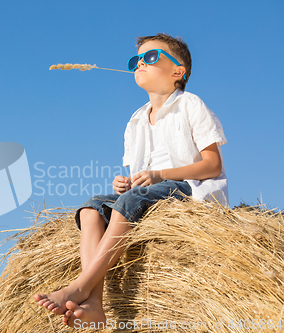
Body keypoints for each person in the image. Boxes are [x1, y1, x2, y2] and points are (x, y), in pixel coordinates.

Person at [33, 33, 229, 328]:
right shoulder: (136, 120)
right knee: (91, 208)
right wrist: (125, 184)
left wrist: (158, 175)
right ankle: (95, 303)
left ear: (178, 72)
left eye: (150, 57)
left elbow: (213, 166)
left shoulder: (190, 104)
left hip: (190, 188)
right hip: (147, 191)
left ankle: (79, 286)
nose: (140, 63)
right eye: (136, 60)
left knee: (131, 200)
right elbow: (139, 175)